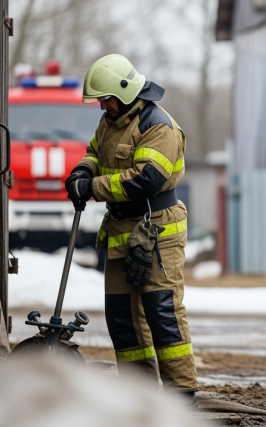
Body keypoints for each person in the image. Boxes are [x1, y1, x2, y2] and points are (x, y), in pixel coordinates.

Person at [65, 54, 198, 405]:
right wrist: (82, 171)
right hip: (120, 230)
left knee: (162, 313)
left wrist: (93, 188)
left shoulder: (158, 125)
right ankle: (139, 396)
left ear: (126, 91)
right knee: (122, 319)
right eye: (100, 101)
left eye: (107, 99)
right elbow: (94, 152)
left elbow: (146, 179)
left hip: (157, 232)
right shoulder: (110, 121)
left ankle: (182, 396)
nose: (103, 106)